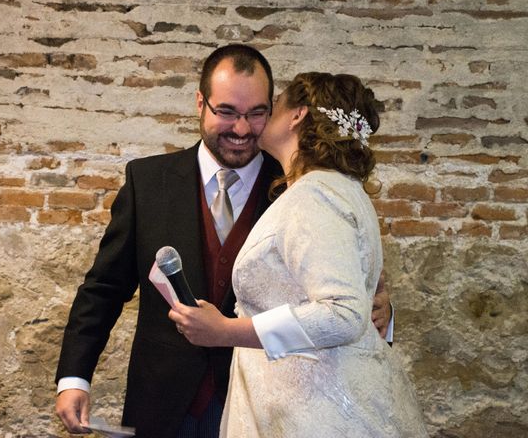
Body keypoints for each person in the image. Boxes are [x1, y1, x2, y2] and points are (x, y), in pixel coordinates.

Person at [55, 45, 393, 438]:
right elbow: (104, 289)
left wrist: (381, 314)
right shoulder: (147, 181)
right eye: (227, 112)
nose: (242, 129)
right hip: (164, 406)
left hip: (268, 408)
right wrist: (74, 379)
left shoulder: (302, 188)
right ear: (201, 103)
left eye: (257, 113)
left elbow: (344, 302)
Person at [169, 72, 427, 437]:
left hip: (315, 411)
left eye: (274, 106)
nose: (261, 119)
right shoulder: (340, 189)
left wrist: (225, 330)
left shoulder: (315, 195)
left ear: (297, 115)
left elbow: (343, 313)